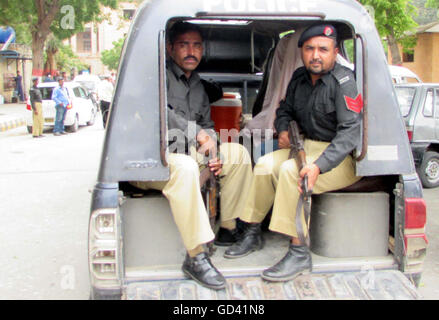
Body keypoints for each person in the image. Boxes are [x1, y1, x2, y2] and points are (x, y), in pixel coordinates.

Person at [224, 24, 363, 282]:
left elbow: (349, 134)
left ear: (334, 53)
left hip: (337, 158)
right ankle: (252, 231)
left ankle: (299, 251)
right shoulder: (299, 78)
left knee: (291, 171)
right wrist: (283, 129)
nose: (316, 55)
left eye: (323, 49)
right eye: (309, 49)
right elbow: (284, 110)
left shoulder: (344, 83)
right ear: (301, 52)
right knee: (264, 164)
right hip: (303, 146)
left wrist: (319, 166)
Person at [130, 21, 253, 290]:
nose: (191, 51)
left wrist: (212, 144)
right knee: (186, 167)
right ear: (170, 47)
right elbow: (161, 114)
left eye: (197, 45)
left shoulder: (197, 84)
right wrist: (198, 134)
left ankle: (228, 229)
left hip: (190, 152)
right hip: (154, 158)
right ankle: (196, 255)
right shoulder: (155, 76)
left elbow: (207, 124)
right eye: (184, 44)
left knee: (238, 153)